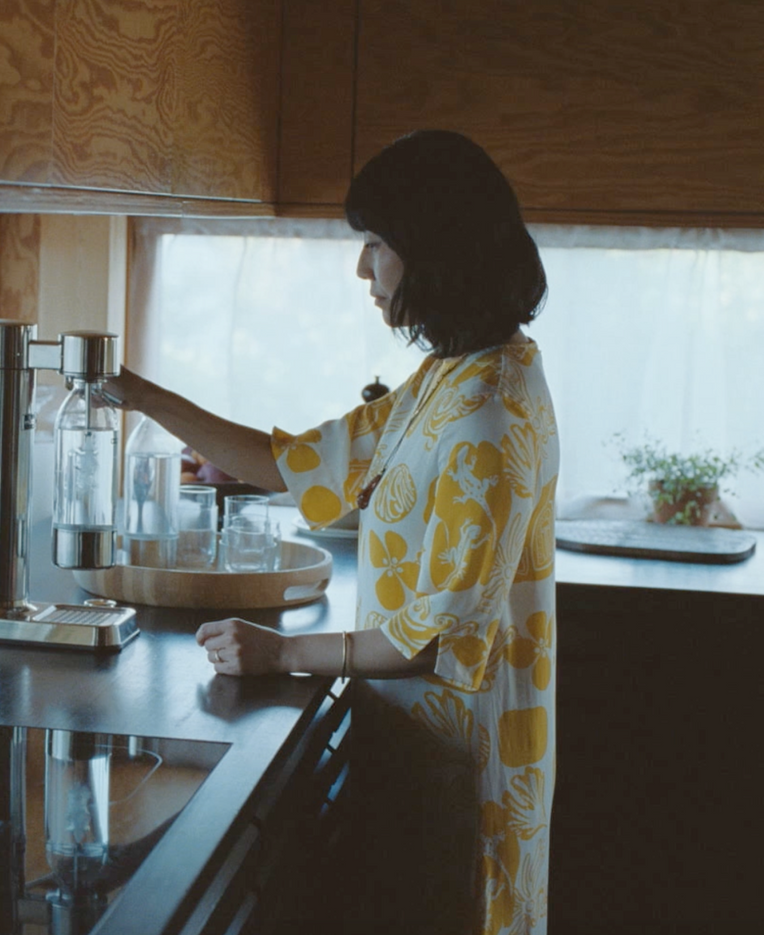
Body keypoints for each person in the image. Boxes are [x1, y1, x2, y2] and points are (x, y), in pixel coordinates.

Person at [100, 130, 558, 935]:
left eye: (376, 244)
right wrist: (130, 390)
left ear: (433, 248)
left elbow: (433, 637)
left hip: (462, 758)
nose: (362, 270)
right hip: (416, 738)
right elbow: (298, 463)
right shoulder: (458, 373)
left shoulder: (490, 411)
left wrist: (284, 653)